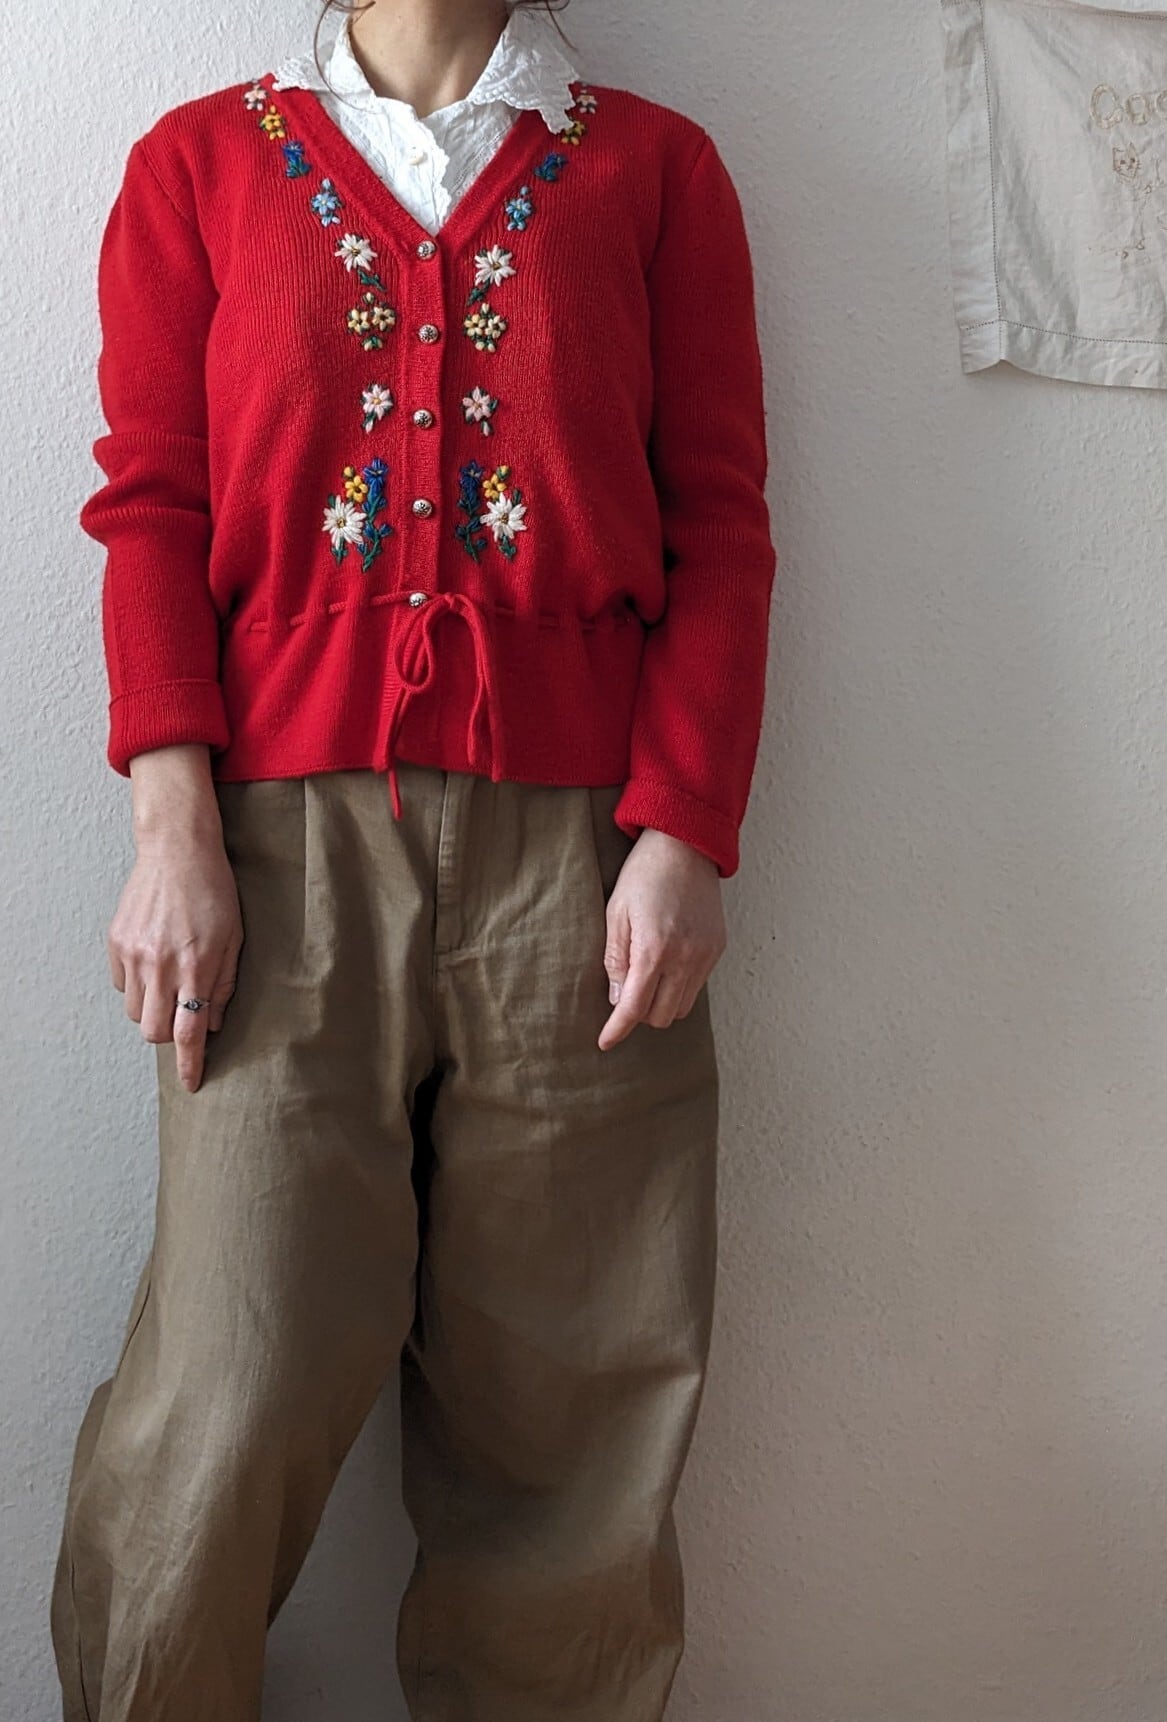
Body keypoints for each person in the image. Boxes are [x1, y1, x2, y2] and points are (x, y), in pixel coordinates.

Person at [49, 0, 776, 1716]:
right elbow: (153, 506)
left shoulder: (660, 173)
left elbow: (719, 522)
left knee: (574, 1413)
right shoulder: (197, 168)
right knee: (230, 1382)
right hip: (278, 864)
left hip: (585, 873)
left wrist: (684, 826)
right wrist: (172, 827)